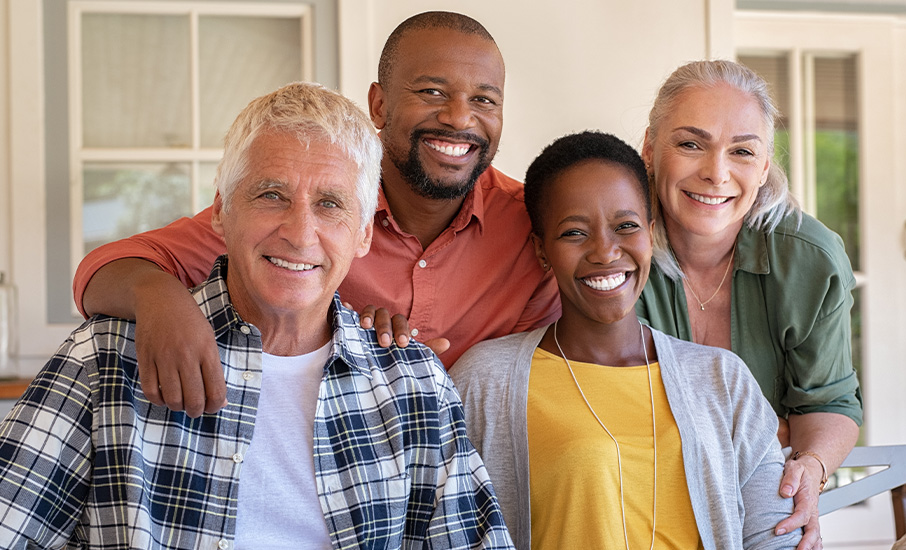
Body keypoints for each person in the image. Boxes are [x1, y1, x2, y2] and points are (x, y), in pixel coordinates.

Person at [0, 82, 512, 550]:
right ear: (221, 210)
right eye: (271, 195)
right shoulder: (105, 358)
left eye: (330, 204)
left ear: (362, 234)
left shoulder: (414, 385)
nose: (299, 232)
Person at [70, 11, 561, 417]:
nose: (458, 116)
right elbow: (108, 268)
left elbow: (542, 371)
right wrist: (162, 302)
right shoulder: (303, 205)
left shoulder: (531, 227)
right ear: (380, 104)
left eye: (484, 100)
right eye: (431, 92)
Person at [450, 131, 801, 549]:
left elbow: (775, 536)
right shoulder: (487, 380)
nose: (605, 251)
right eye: (574, 233)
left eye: (626, 226)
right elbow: (447, 530)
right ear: (542, 250)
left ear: (649, 234)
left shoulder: (722, 381)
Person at [635, 59, 862, 548]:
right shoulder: (615, 251)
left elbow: (828, 402)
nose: (716, 173)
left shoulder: (811, 260)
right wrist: (753, 431)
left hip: (759, 494)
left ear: (764, 167)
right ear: (650, 149)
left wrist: (810, 464)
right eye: (691, 144)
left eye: (742, 151)